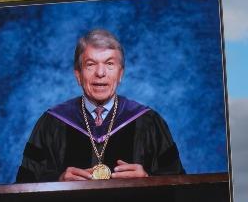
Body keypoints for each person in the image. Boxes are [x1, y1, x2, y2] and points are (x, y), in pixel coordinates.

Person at [15, 29, 185, 183]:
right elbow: (24, 186)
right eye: (91, 64)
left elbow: (180, 185)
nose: (100, 73)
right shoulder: (51, 124)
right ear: (78, 75)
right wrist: (57, 182)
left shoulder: (149, 122)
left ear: (121, 74)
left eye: (109, 64)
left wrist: (149, 180)